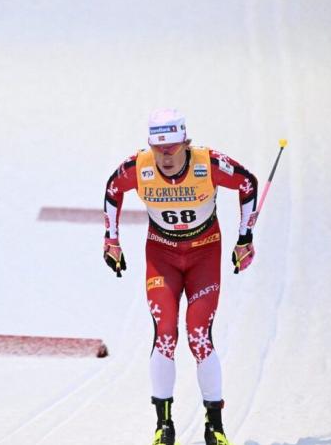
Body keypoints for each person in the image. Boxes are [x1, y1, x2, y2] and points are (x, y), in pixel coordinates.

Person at [102, 109, 258, 445]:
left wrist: (245, 237)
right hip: (162, 256)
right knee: (166, 334)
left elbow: (248, 183)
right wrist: (111, 240)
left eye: (173, 148)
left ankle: (214, 426)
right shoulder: (139, 167)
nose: (166, 157)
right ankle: (164, 426)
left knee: (199, 335)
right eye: (159, 149)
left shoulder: (209, 163)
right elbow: (113, 189)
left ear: (186, 143)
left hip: (204, 254)